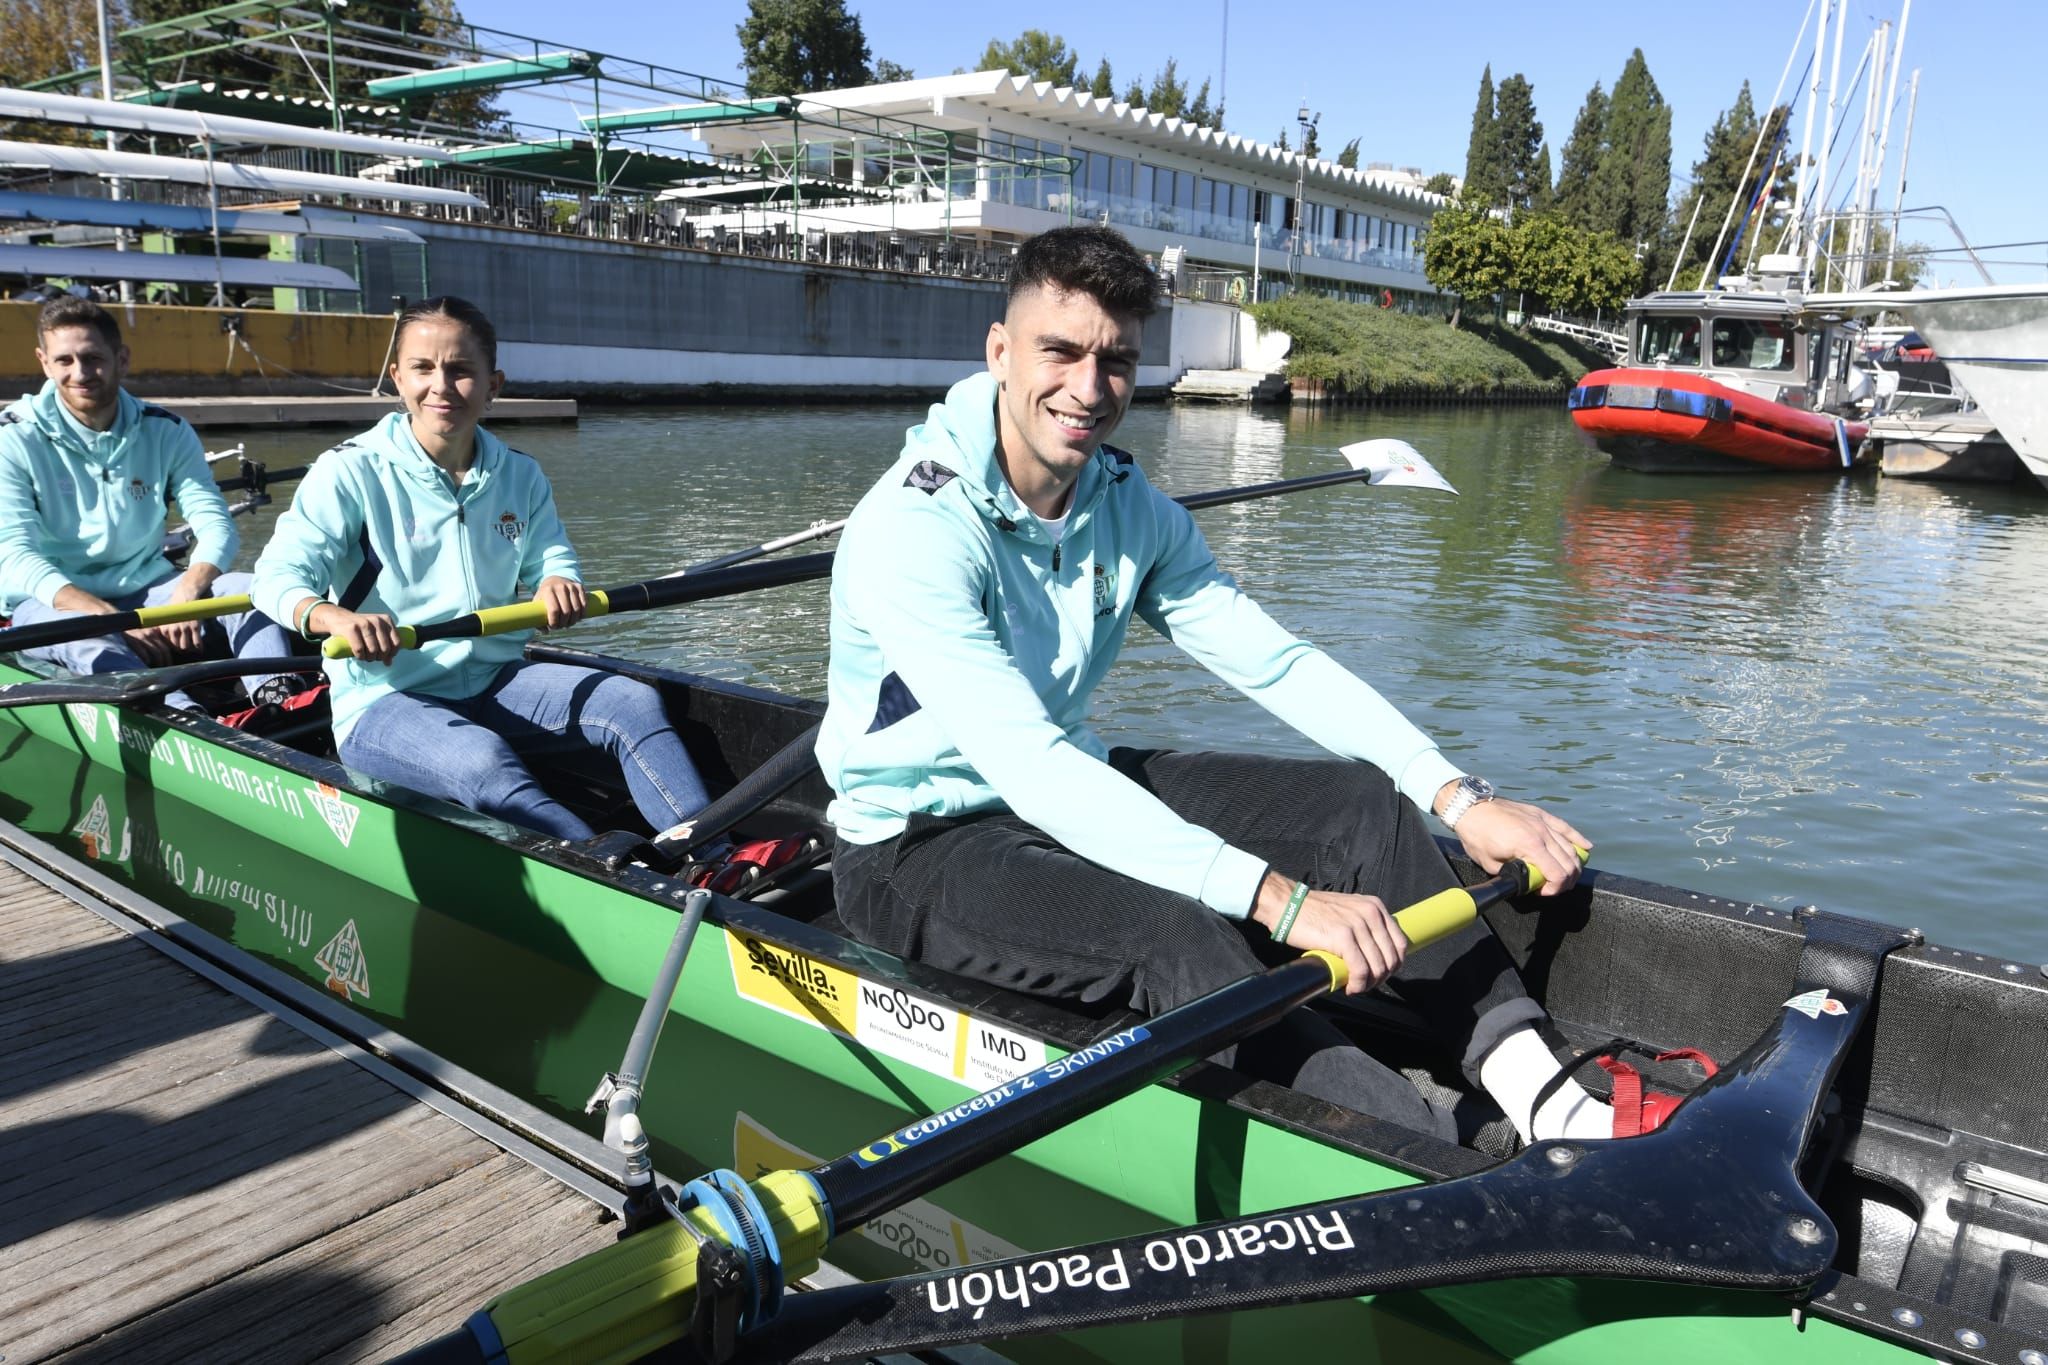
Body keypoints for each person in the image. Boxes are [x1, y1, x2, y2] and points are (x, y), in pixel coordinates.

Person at [818, 226, 1615, 1145]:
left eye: (1115, 360)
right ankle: (1435, 1154)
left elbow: (1275, 662)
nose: (1088, 387)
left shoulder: (1127, 506)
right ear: (1001, 352)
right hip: (914, 848)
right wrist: (1281, 898)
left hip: (1057, 790)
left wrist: (1456, 794)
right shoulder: (915, 529)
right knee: (1178, 927)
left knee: (1362, 805)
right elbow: (1030, 765)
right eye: (1061, 351)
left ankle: (1550, 1100)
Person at [250, 296, 714, 845]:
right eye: (423, 369)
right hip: (384, 700)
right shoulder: (347, 472)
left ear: (493, 385)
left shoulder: (521, 474)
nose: (441, 386)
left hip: (496, 678)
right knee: (482, 760)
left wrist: (556, 581)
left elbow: (553, 557)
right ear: (397, 380)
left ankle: (712, 853)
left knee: (630, 701)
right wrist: (332, 617)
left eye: (460, 370)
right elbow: (273, 579)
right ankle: (609, 871)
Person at [0, 297, 296, 712]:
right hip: (53, 604)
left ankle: (282, 698)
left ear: (122, 359)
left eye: (93, 358)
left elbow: (214, 524)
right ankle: (183, 719)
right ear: (44, 363)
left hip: (149, 588)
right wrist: (111, 621)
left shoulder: (167, 429)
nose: (80, 373)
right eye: (64, 360)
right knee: (87, 639)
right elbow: (13, 554)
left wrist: (186, 597)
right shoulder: (12, 438)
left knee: (250, 590)